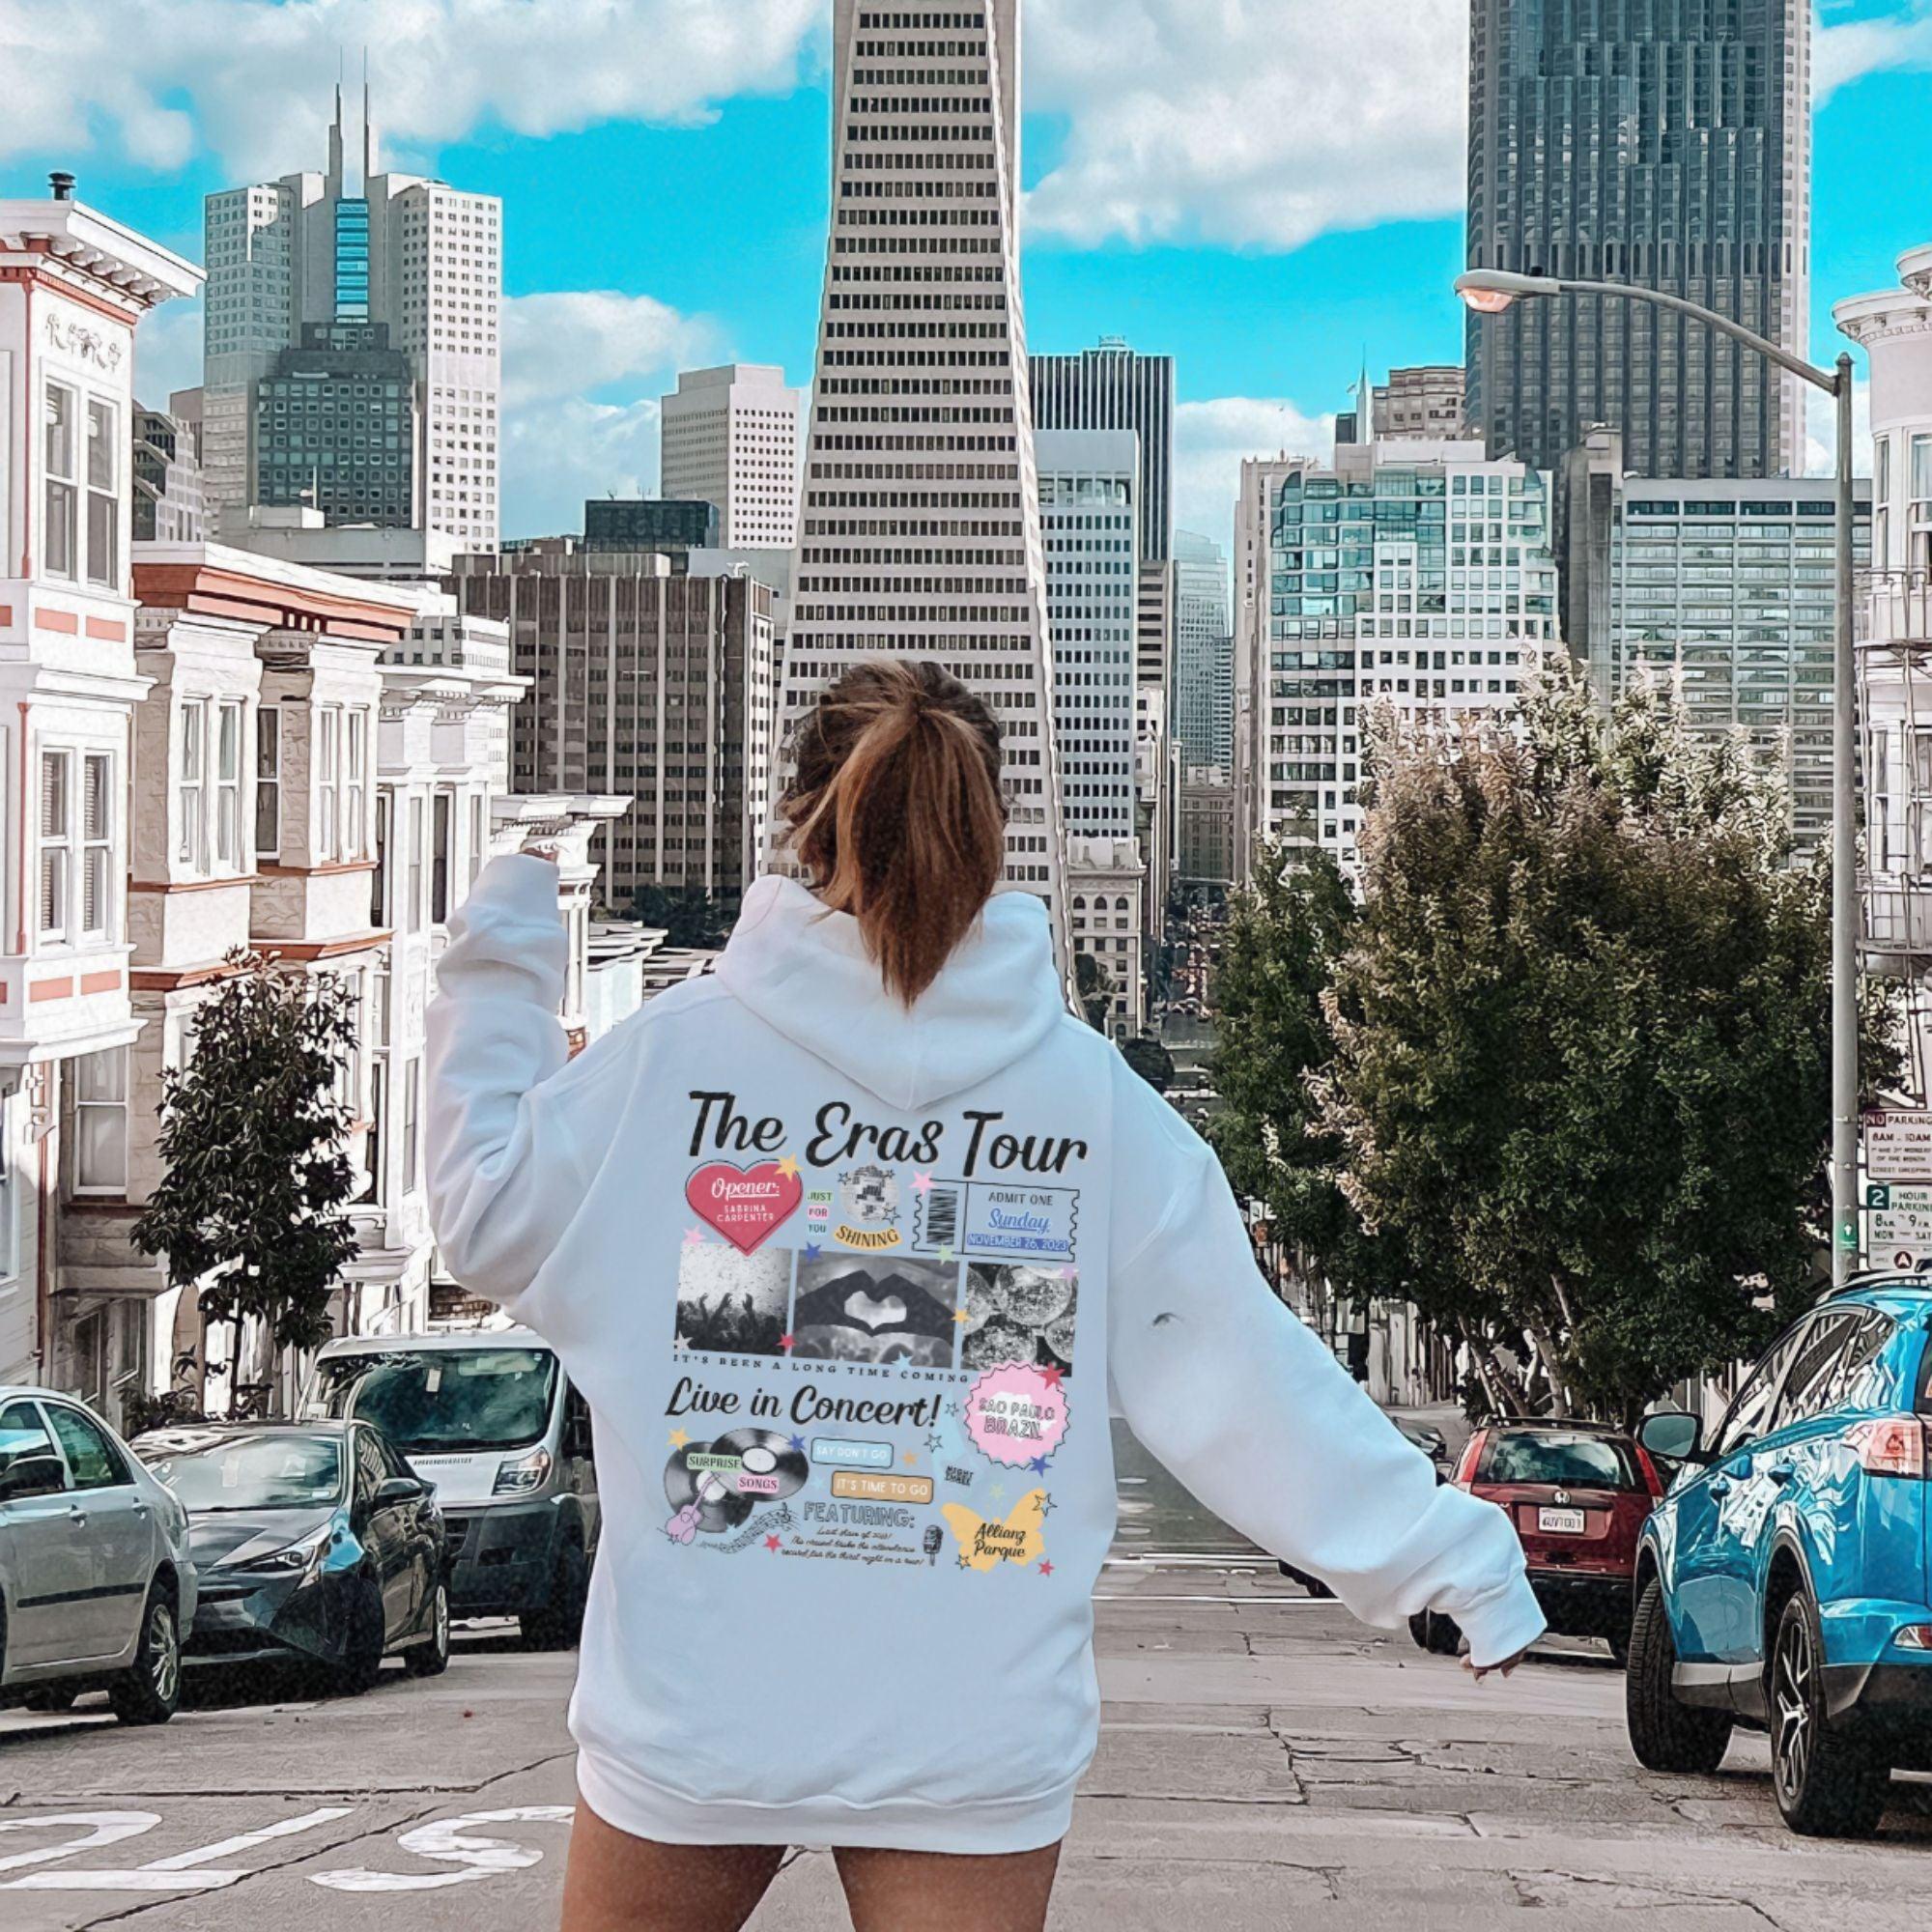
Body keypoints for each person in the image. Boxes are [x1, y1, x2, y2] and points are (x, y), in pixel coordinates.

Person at [425, 659, 1544, 1932]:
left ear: (804, 828)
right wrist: (1453, 1563)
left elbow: (484, 1212)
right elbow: (1243, 1375)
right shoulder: (1094, 1104)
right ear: (993, 836)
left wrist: (507, 943)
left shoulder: (671, 1065)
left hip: (698, 1708)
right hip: (967, 1728)